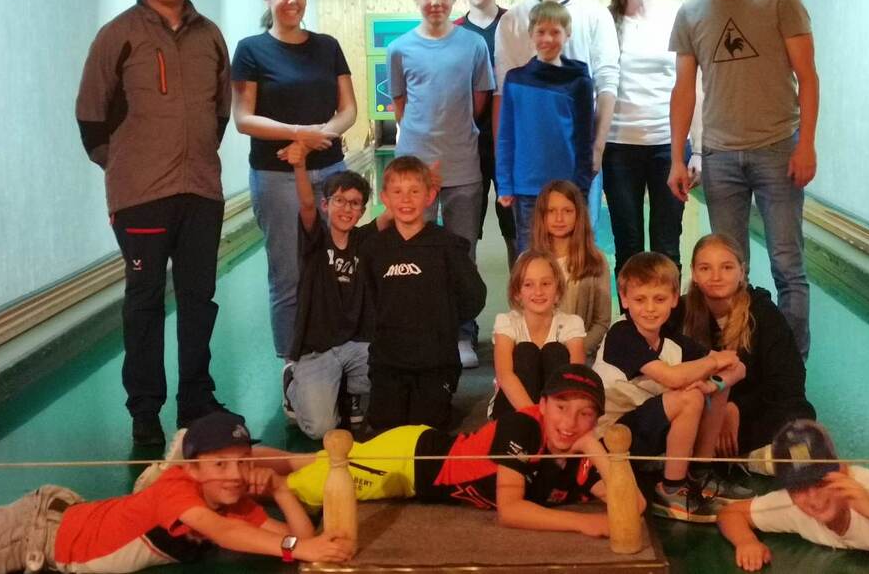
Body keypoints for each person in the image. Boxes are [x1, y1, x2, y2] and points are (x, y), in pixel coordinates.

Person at [75, 0, 231, 446]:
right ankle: (145, 409)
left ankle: (196, 399)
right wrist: (126, 168)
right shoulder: (117, 35)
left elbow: (219, 113)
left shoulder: (210, 37)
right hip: (141, 197)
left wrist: (191, 156)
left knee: (199, 299)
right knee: (143, 302)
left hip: (201, 191)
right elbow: (91, 118)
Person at [668, 0, 820, 360]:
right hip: (720, 156)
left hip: (777, 148)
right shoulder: (691, 12)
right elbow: (683, 90)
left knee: (787, 265)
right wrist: (678, 157)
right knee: (729, 271)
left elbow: (808, 77)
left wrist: (806, 144)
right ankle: (740, 363)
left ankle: (791, 366)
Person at [271, 365, 645, 538]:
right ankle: (244, 478)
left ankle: (255, 457)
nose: (570, 422)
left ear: (596, 419)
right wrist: (582, 523)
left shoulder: (582, 451)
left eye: (585, 414)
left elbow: (636, 506)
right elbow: (511, 511)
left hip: (415, 450)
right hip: (409, 463)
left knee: (314, 462)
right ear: (543, 405)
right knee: (303, 487)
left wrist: (592, 446)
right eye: (561, 407)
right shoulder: (524, 427)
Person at [0, 412, 352, 572]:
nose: (235, 475)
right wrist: (299, 548)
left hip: (64, 512)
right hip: (36, 532)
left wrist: (281, 490)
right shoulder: (178, 490)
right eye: (220, 464)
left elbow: (302, 539)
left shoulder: (235, 503)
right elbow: (223, 533)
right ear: (192, 468)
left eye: (243, 461)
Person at [231, 0, 357, 362]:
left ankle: (338, 355)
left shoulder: (328, 46)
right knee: (289, 274)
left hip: (331, 171)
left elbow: (348, 110)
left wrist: (322, 135)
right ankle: (292, 363)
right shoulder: (251, 50)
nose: (291, 0)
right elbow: (243, 118)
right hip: (276, 176)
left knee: (337, 267)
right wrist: (301, 133)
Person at [389, 0, 495, 369]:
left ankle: (462, 333)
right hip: (414, 171)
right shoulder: (399, 49)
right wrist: (421, 141)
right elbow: (401, 105)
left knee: (461, 255)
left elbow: (479, 99)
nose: (435, 1)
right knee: (413, 254)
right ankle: (419, 332)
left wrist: (454, 131)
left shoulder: (473, 45)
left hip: (463, 167)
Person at [593, 252, 750, 523]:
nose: (650, 308)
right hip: (609, 441)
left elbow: (738, 367)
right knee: (690, 396)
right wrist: (713, 363)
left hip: (644, 435)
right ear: (625, 299)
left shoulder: (671, 340)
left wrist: (713, 384)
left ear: (674, 298)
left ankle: (700, 474)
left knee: (712, 386)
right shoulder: (622, 334)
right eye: (640, 299)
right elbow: (673, 378)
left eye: (659, 299)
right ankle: (672, 489)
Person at [494, 0, 619, 226]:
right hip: (530, 166)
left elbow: (606, 84)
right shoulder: (512, 19)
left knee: (580, 246)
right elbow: (504, 96)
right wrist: (505, 172)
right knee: (531, 248)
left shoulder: (596, 14)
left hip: (576, 158)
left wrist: (597, 149)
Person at [718, 420, 869, 570]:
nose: (813, 497)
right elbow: (731, 513)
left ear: (842, 470)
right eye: (798, 487)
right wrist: (746, 542)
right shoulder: (790, 506)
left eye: (820, 481)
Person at [359, 156, 487, 431]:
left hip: (435, 361)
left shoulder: (448, 246)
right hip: (388, 361)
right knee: (386, 428)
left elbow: (474, 296)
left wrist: (443, 324)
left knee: (427, 429)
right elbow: (366, 300)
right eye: (397, 192)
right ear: (385, 198)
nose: (406, 200)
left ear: (429, 196)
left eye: (414, 191)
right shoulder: (374, 249)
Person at [604, 0, 702, 286]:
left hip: (669, 146)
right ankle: (629, 319)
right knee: (627, 247)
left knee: (666, 245)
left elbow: (694, 85)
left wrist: (698, 149)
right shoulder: (607, 20)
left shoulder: (678, 14)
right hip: (619, 147)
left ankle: (669, 318)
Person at [281, 142, 393, 439]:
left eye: (355, 203)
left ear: (362, 210)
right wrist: (299, 165)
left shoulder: (363, 239)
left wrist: (422, 185)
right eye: (340, 201)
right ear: (326, 205)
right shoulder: (315, 239)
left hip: (356, 345)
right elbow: (306, 205)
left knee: (390, 369)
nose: (346, 208)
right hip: (316, 349)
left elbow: (392, 213)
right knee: (321, 429)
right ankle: (293, 385)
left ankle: (348, 390)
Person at [682, 234, 815, 459]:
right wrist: (716, 412)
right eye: (705, 268)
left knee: (800, 414)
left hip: (751, 411)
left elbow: (789, 382)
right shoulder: (681, 312)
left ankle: (738, 456)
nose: (716, 277)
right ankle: (744, 455)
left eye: (726, 267)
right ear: (694, 274)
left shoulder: (763, 313)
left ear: (741, 272)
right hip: (701, 410)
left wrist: (736, 409)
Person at [496, 1, 594, 252]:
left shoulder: (579, 82)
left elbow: (585, 140)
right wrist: (505, 183)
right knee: (531, 256)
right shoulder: (515, 80)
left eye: (555, 32)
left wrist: (581, 187)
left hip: (566, 189)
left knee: (567, 257)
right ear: (531, 34)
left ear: (567, 34)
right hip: (527, 188)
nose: (547, 39)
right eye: (541, 32)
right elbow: (506, 137)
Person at [454, 0, 517, 270]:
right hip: (468, 147)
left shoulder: (516, 24)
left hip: (511, 145)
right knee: (465, 234)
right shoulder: (454, 31)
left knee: (515, 230)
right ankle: (466, 301)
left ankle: (523, 296)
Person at [490, 250, 585, 419]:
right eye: (528, 285)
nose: (538, 291)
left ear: (557, 290)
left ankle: (555, 421)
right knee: (526, 350)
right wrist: (535, 416)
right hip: (514, 410)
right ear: (517, 293)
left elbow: (576, 373)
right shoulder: (507, 322)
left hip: (557, 412)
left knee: (554, 350)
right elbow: (505, 375)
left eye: (546, 284)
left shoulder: (571, 323)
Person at [529, 181, 612, 361]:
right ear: (541, 215)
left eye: (567, 211)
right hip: (535, 355)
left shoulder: (596, 260)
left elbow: (601, 321)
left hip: (578, 356)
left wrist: (576, 350)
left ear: (578, 215)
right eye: (551, 211)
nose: (559, 218)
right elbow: (518, 315)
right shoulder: (527, 261)